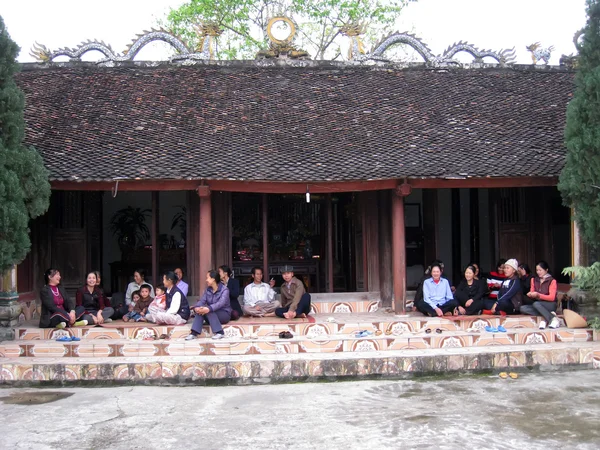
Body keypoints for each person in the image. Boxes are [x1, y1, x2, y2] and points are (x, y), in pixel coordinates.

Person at [186, 269, 232, 340]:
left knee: (208, 311)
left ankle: (220, 332)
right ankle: (193, 333)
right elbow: (202, 301)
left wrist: (209, 309)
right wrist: (197, 307)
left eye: (207, 278)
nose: (206, 280)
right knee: (201, 311)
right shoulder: (208, 290)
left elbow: (221, 303)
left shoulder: (224, 290)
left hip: (224, 314)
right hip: (211, 313)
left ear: (213, 279)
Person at [520, 261, 559, 329]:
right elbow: (532, 291)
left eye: (540, 270)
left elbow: (552, 297)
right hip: (538, 304)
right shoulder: (534, 280)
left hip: (550, 304)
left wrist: (538, 295)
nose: (538, 272)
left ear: (546, 270)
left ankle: (552, 319)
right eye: (537, 270)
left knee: (536, 304)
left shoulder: (552, 281)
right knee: (522, 308)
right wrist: (530, 294)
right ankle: (550, 314)